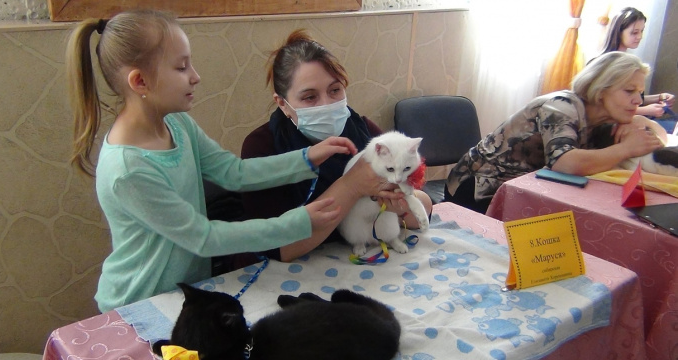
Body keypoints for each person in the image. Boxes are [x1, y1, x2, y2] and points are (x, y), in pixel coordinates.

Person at [66, 10, 364, 312]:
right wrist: (297, 223)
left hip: (189, 291)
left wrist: (306, 158)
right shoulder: (128, 170)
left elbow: (234, 172)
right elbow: (203, 237)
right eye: (181, 67)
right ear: (140, 81)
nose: (195, 76)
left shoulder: (177, 125)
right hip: (140, 301)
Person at [239, 29, 432, 266]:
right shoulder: (262, 147)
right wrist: (351, 186)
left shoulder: (363, 131)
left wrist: (399, 206)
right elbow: (278, 247)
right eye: (310, 97)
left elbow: (424, 206)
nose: (327, 104)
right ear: (283, 104)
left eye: (334, 90)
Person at [445, 51, 668, 214]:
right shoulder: (561, 106)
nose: (638, 100)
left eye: (640, 93)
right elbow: (564, 163)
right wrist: (625, 148)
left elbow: (659, 144)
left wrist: (638, 120)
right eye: (629, 91)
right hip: (479, 188)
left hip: (528, 190)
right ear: (601, 90)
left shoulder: (605, 117)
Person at [595, 7, 675, 119]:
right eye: (634, 32)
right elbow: (602, 106)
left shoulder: (628, 60)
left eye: (641, 31)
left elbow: (630, 98)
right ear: (619, 32)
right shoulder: (606, 64)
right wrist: (645, 110)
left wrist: (659, 97)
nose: (639, 37)